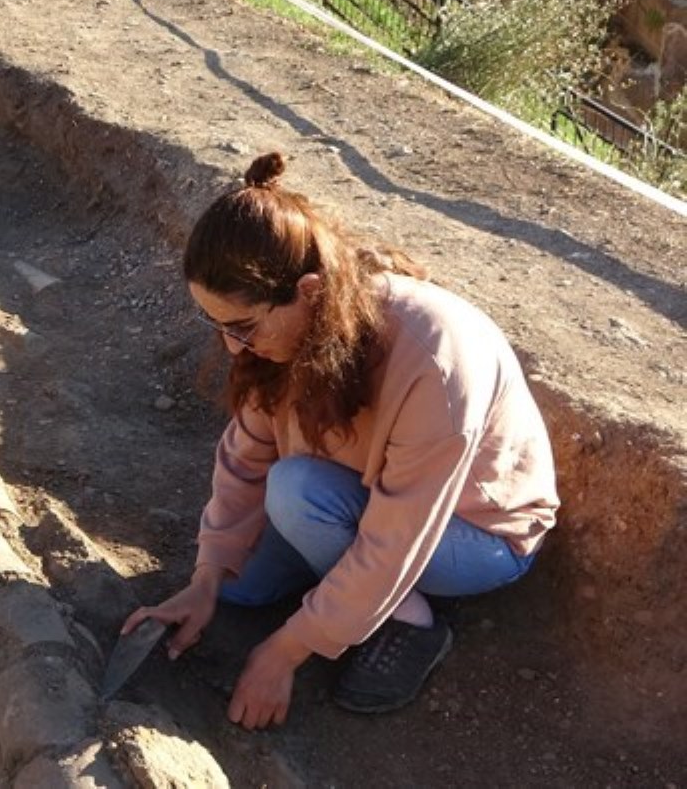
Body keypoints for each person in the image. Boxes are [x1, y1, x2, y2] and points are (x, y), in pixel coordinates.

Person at [122, 152, 558, 726]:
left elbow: (400, 537)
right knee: (239, 586)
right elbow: (244, 461)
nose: (231, 346)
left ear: (307, 291)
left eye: (243, 327)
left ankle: (414, 622)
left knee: (295, 491)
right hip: (356, 497)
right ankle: (337, 588)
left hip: (473, 534)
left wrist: (286, 650)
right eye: (218, 325)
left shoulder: (435, 360)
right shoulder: (288, 336)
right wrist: (205, 580)